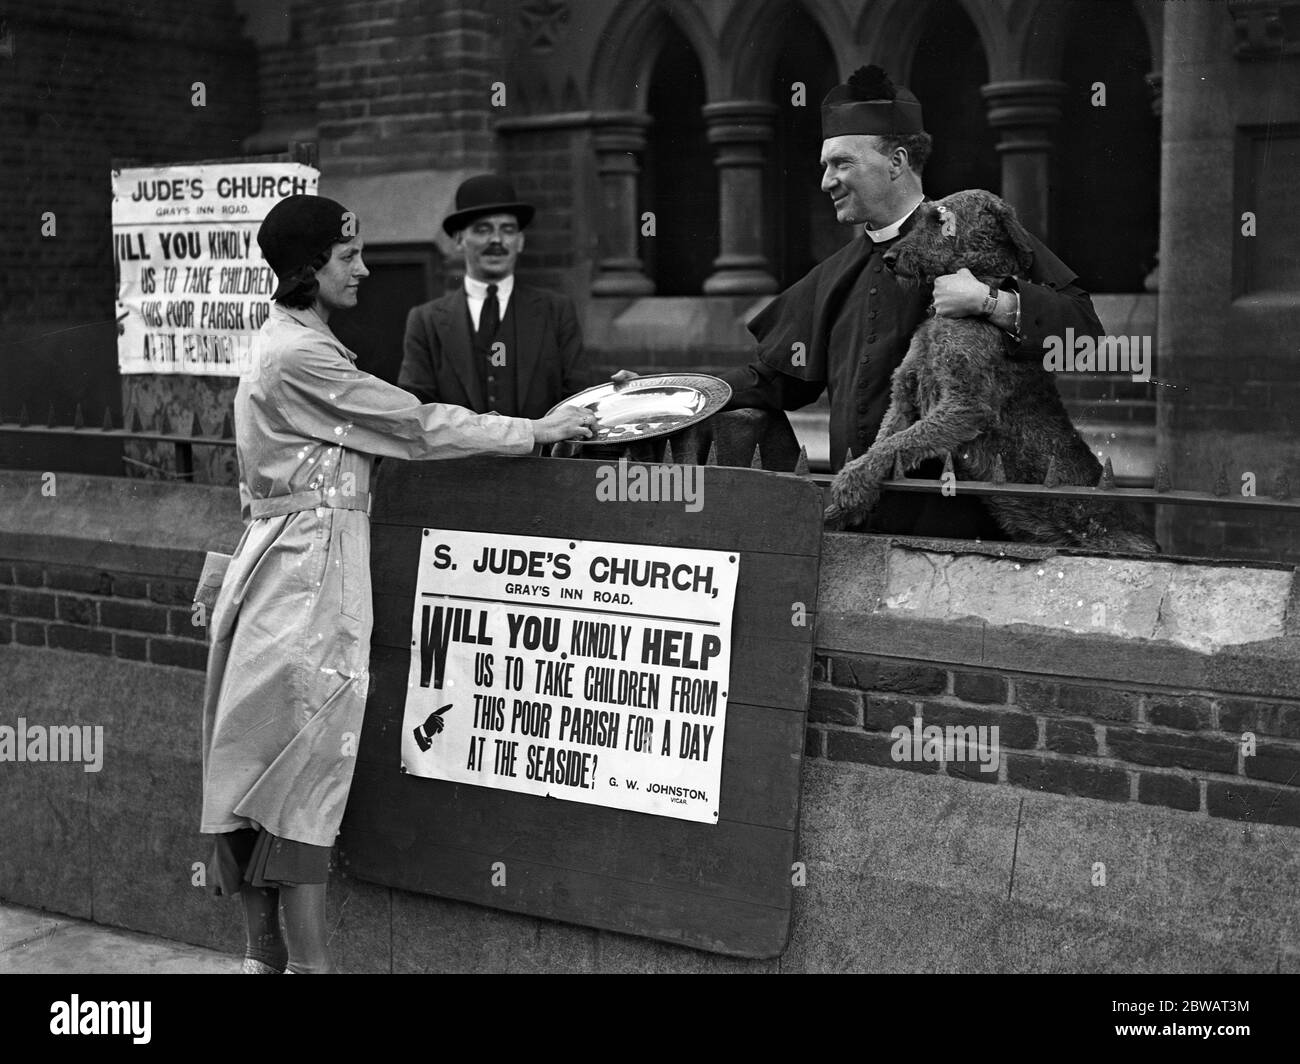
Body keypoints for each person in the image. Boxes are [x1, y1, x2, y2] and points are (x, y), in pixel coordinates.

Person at [199, 194, 593, 974]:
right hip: (304, 585)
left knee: (266, 769)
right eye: (349, 256)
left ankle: (265, 961)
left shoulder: (294, 342)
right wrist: (535, 431)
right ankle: (298, 967)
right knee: (299, 775)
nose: (365, 268)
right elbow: (413, 424)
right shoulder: (302, 356)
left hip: (291, 572)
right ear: (310, 268)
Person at [620, 66, 1105, 539]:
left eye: (842, 163)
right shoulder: (833, 274)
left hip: (970, 521)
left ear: (896, 162)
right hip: (862, 520)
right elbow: (770, 382)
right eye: (824, 166)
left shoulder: (975, 231)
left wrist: (990, 301)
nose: (827, 180)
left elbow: (1084, 333)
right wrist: (661, 390)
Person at [400, 174, 589, 422]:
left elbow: (577, 400)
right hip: (458, 460)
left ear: (520, 241)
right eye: (482, 230)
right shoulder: (426, 321)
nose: (497, 241)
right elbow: (416, 411)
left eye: (507, 230)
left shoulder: (556, 311)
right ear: (459, 239)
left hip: (539, 459)